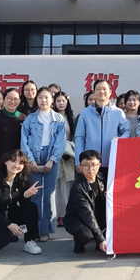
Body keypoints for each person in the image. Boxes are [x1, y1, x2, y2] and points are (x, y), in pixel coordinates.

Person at [21, 87, 66, 241]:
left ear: (52, 100)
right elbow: (24, 141)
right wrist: (30, 160)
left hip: (51, 157)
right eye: (40, 97)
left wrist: (52, 160)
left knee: (48, 195)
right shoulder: (30, 119)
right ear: (37, 100)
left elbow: (60, 142)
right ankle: (35, 230)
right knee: (35, 194)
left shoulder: (58, 119)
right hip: (34, 156)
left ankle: (46, 229)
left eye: (46, 97)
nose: (43, 100)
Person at [0, 149, 42, 255]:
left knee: (31, 207)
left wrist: (25, 195)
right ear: (6, 162)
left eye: (21, 163)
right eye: (13, 161)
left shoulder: (22, 179)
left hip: (10, 213)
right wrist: (9, 225)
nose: (17, 165)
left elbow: (23, 204)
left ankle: (29, 241)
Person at [76, 79, 130, 179]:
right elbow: (80, 137)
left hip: (112, 161)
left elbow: (126, 131)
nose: (101, 91)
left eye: (104, 89)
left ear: (110, 92)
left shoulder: (118, 112)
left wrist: (120, 139)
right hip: (90, 163)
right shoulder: (85, 113)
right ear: (94, 92)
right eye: (98, 89)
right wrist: (78, 161)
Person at [64, 150, 108, 254]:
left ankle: (100, 241)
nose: (90, 168)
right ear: (80, 167)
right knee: (85, 235)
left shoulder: (102, 178)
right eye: (86, 165)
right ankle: (79, 244)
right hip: (78, 218)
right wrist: (100, 239)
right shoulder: (78, 187)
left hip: (97, 215)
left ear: (99, 165)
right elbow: (87, 214)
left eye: (93, 164)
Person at [53, 90, 76, 227]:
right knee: (56, 187)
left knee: (67, 186)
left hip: (69, 156)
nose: (61, 103)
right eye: (58, 101)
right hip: (55, 156)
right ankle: (57, 215)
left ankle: (67, 215)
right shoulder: (51, 117)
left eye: (63, 101)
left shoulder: (72, 118)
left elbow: (75, 137)